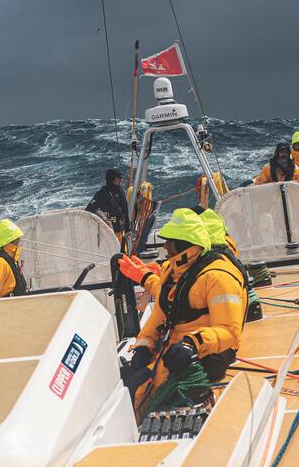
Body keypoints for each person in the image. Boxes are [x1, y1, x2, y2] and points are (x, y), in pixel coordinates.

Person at [119, 209, 247, 408]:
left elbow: (230, 331)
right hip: (171, 351)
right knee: (123, 380)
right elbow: (160, 314)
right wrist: (143, 346)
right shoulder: (172, 271)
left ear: (187, 245)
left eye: (171, 240)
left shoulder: (218, 277)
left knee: (135, 393)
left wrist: (192, 343)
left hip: (205, 355)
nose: (166, 245)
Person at [85, 168, 130, 238]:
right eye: (118, 178)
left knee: (123, 249)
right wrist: (104, 219)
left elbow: (126, 211)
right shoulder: (102, 193)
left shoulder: (120, 191)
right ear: (112, 179)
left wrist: (128, 229)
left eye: (121, 178)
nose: (121, 180)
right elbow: (89, 209)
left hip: (121, 231)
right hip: (108, 233)